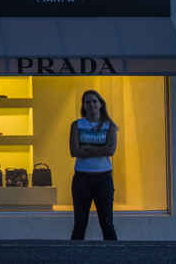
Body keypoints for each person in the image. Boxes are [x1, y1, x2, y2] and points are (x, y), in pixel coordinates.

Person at [68, 89, 118, 241]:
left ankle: (114, 258)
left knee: (107, 224)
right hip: (81, 179)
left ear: (101, 104)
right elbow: (74, 151)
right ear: (83, 106)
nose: (92, 104)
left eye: (94, 101)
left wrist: (86, 147)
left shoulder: (109, 126)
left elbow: (110, 150)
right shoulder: (76, 125)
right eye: (88, 102)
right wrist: (99, 149)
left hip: (103, 179)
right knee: (79, 225)